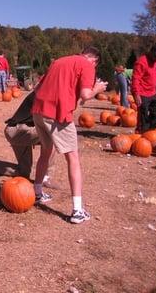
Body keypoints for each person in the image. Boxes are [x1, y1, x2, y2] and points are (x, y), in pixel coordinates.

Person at [31, 47, 108, 224]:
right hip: (57, 113)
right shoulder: (87, 65)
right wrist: (98, 88)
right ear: (94, 60)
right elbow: (86, 95)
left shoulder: (58, 60)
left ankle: (37, 192)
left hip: (38, 110)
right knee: (72, 157)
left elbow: (37, 88)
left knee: (46, 151)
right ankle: (77, 211)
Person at [0, 91, 56, 187]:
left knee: (24, 173)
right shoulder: (45, 93)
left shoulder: (48, 90)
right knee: (53, 134)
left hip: (24, 131)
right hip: (18, 131)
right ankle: (46, 178)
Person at [131, 45, 156, 133]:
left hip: (154, 91)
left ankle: (149, 132)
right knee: (143, 115)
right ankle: (142, 132)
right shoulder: (141, 62)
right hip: (142, 92)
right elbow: (136, 79)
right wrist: (136, 94)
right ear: (150, 52)